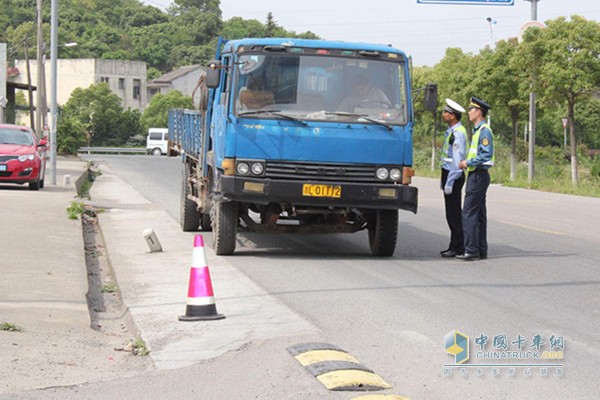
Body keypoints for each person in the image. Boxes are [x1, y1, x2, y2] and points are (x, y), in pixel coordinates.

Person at [457, 96, 494, 261]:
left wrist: (468, 162)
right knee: (478, 214)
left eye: (471, 109)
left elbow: (486, 155)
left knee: (468, 213)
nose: (469, 112)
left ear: (478, 112)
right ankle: (480, 249)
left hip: (478, 175)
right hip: (477, 175)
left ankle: (471, 249)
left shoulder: (484, 131)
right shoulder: (479, 131)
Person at [439, 98, 467, 258]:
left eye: (446, 112)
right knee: (451, 213)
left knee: (454, 213)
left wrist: (449, 181)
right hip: (448, 173)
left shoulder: (458, 133)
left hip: (453, 175)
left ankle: (459, 246)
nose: (443, 114)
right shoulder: (452, 131)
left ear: (453, 116)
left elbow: (457, 160)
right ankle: (454, 244)